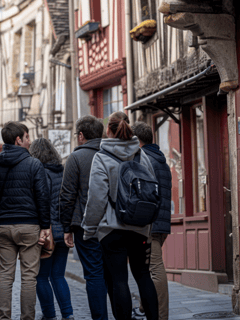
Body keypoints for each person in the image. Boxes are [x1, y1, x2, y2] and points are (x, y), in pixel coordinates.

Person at [82, 111, 159, 320]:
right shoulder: (141, 154)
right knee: (143, 276)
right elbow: (153, 189)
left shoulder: (102, 157)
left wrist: (89, 229)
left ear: (108, 130)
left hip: (112, 229)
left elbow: (96, 198)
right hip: (139, 228)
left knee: (119, 280)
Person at [0, 121, 51, 320]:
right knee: (29, 277)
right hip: (29, 225)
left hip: (3, 226)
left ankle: (3, 318)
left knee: (5, 276)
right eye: (27, 137)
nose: (30, 141)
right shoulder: (34, 164)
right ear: (18, 140)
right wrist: (45, 226)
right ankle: (27, 318)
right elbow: (42, 197)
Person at [59, 115, 108, 320]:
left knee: (94, 273)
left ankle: (100, 318)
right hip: (115, 223)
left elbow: (67, 195)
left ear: (81, 136)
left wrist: (66, 227)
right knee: (115, 274)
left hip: (85, 224)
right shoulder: (111, 154)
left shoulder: (77, 158)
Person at [29, 138, 74, 320]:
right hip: (63, 231)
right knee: (58, 276)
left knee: (41, 277)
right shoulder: (62, 172)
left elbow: (42, 204)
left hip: (47, 232)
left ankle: (49, 315)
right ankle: (68, 314)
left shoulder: (40, 174)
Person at [132, 121, 172, 320]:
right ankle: (144, 307)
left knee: (155, 268)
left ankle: (160, 315)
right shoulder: (160, 159)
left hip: (150, 223)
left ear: (137, 140)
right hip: (161, 221)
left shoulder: (144, 159)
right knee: (147, 267)